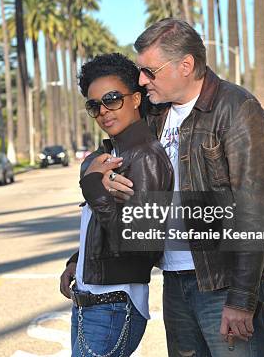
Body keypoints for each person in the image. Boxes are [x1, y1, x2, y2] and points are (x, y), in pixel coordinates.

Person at [60, 18, 264, 357]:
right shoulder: (155, 115)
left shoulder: (236, 110)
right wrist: (80, 258)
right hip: (175, 279)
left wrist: (241, 300)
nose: (141, 80)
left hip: (222, 283)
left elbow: (257, 210)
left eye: (150, 72)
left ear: (186, 65)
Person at [60, 53, 173, 357]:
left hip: (112, 306)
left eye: (112, 99)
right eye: (94, 105)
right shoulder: (111, 154)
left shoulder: (146, 156)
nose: (103, 111)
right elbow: (104, 223)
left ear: (136, 99)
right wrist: (78, 262)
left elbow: (142, 242)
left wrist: (93, 186)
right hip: (94, 300)